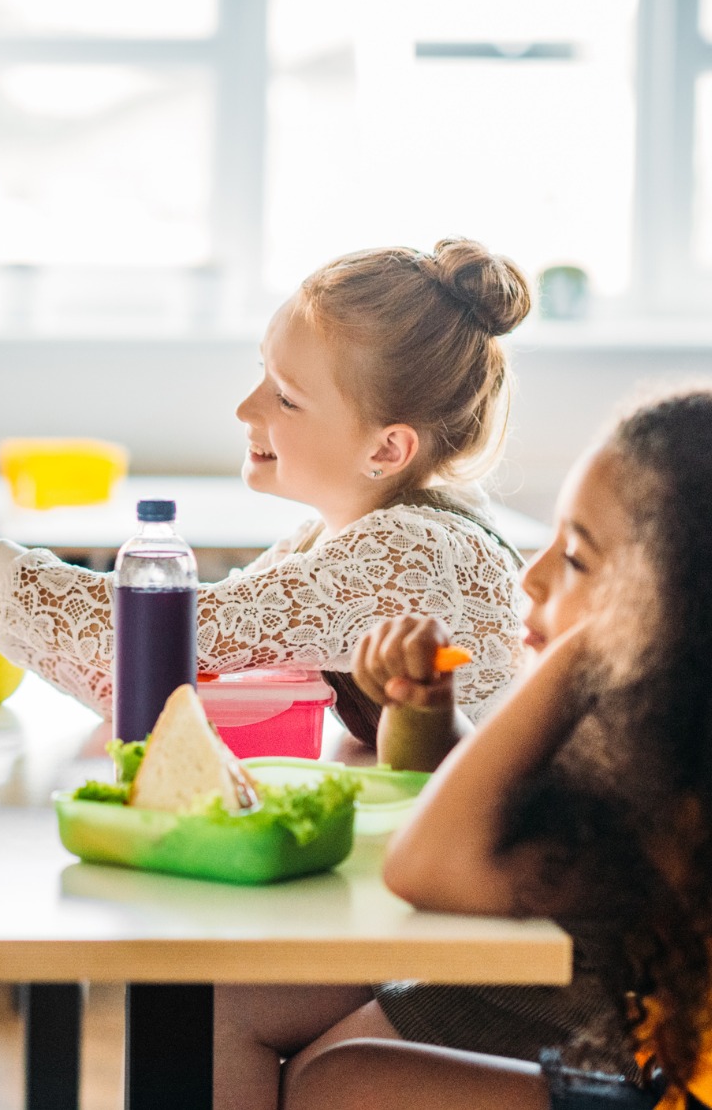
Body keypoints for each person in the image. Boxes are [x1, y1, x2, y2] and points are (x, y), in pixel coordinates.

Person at [218, 388, 712, 1110]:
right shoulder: (631, 737)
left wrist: (586, 645)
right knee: (228, 999)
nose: (531, 578)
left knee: (343, 1086)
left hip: (657, 1081)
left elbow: (429, 865)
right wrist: (423, 714)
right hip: (589, 1014)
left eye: (575, 559)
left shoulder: (673, 803)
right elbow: (476, 817)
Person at [0, 238, 531, 741]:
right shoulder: (329, 538)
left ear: (387, 448)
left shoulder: (410, 554)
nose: (246, 410)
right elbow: (152, 683)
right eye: (262, 373)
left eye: (286, 399)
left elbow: (175, 635)